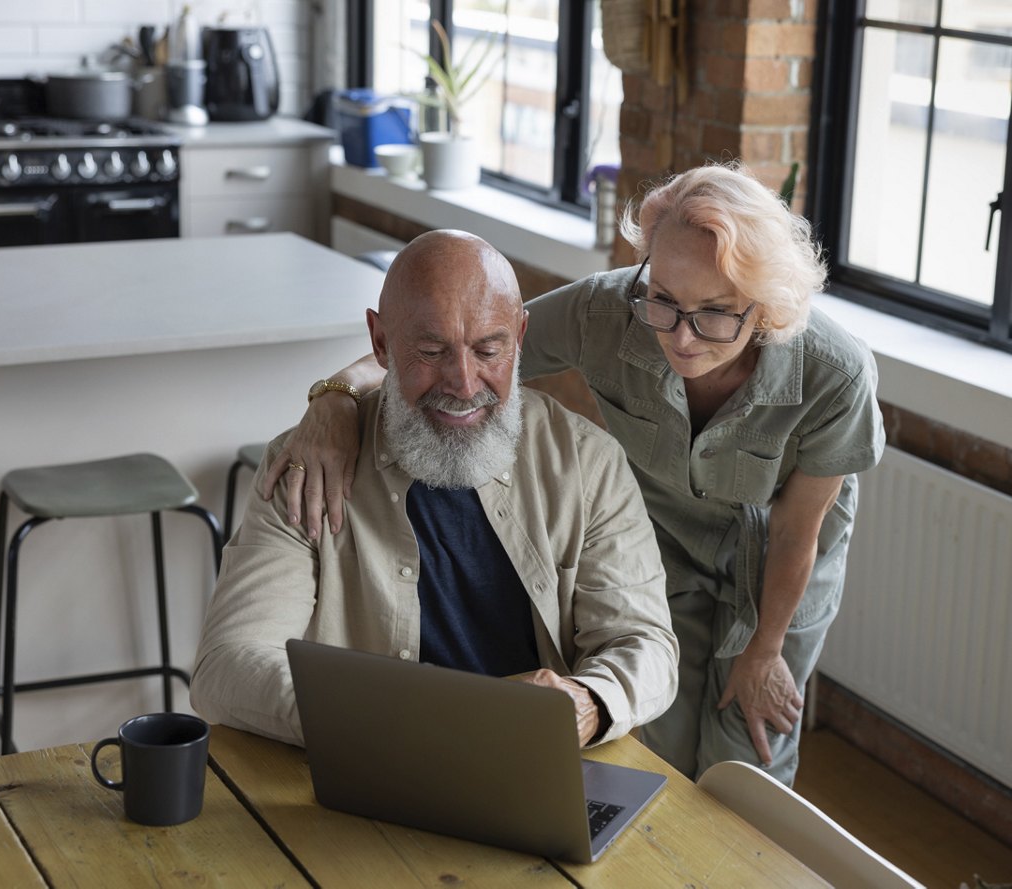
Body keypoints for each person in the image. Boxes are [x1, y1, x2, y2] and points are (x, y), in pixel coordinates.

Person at [269, 162, 885, 783]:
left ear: (766, 305)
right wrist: (336, 396)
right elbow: (467, 351)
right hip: (670, 542)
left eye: (715, 313)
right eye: (664, 300)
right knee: (661, 746)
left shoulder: (836, 374)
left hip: (783, 569)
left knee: (747, 760)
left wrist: (766, 651)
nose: (683, 337)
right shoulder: (607, 312)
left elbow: (797, 531)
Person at [191, 230, 679, 749]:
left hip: (536, 763)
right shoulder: (310, 465)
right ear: (380, 343)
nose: (464, 384)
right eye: (430, 351)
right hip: (373, 764)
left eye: (489, 350)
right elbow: (228, 666)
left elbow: (643, 641)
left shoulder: (588, 463)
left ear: (520, 337)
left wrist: (588, 701)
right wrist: (407, 723)